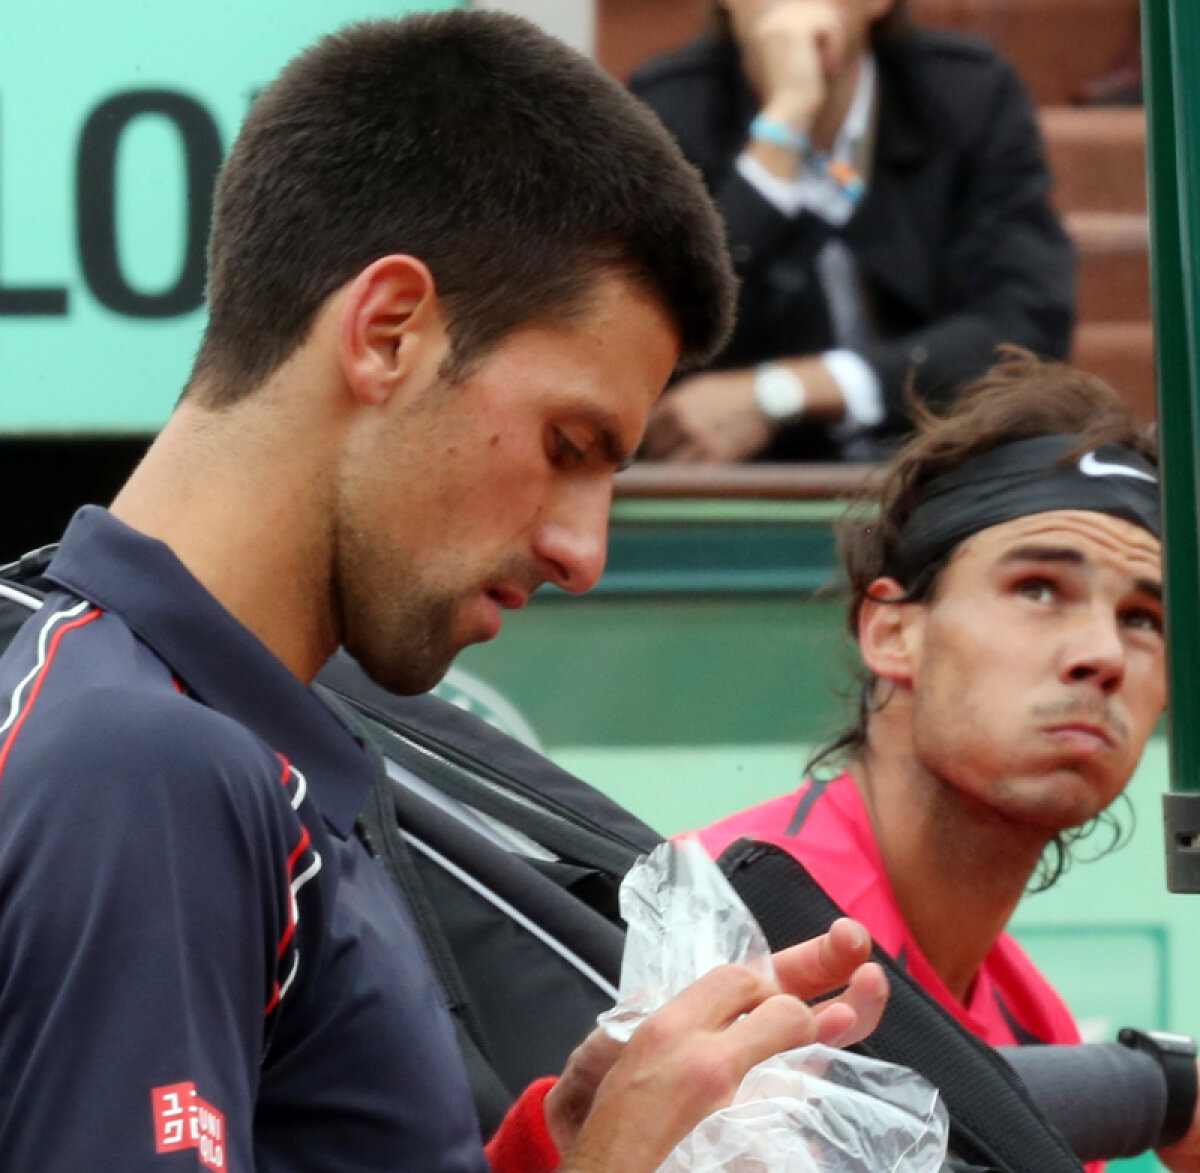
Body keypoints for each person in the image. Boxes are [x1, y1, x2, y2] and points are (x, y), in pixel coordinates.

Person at [0, 12, 890, 1173]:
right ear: (387, 332)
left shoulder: (183, 727)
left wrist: (548, 1156)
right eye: (568, 444)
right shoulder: (147, 762)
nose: (585, 552)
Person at [692, 351, 1177, 1156]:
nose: (1103, 654)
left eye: (1142, 617)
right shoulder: (729, 923)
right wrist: (1157, 1090)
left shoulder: (1031, 1012)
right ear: (892, 633)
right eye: (1038, 588)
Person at [631, 0, 1074, 463]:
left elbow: (1023, 327)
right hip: (747, 491)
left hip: (939, 468)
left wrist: (783, 391)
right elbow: (657, 330)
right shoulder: (667, 108)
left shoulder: (968, 95)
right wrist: (781, 131)